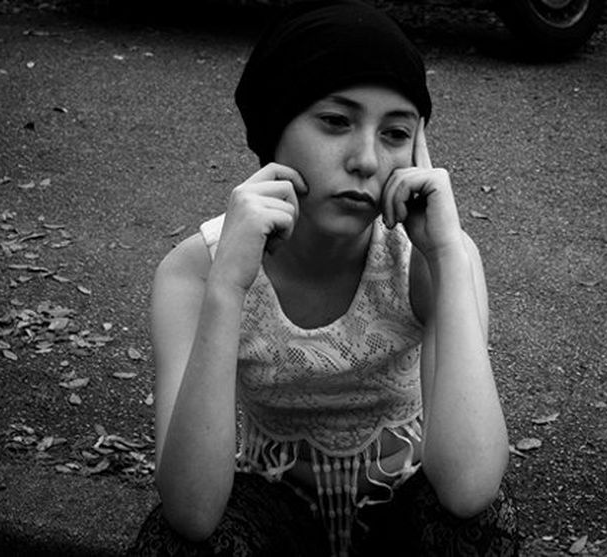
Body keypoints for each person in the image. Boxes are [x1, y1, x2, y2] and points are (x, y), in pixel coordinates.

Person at [129, 1, 519, 555]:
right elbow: (191, 513)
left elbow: (469, 490)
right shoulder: (195, 271)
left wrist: (451, 258)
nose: (365, 159)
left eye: (395, 133)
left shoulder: (428, 257)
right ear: (275, 127)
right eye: (336, 122)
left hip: (405, 512)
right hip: (268, 515)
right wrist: (228, 289)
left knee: (476, 530)